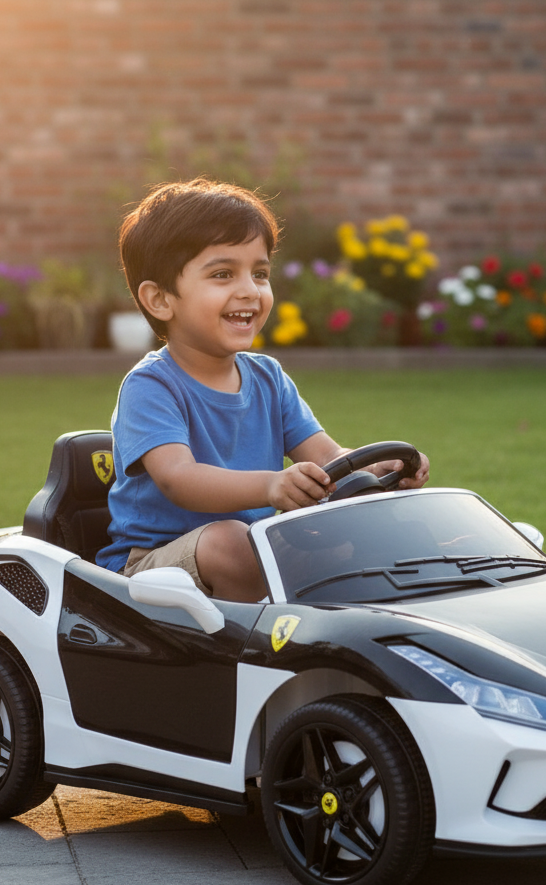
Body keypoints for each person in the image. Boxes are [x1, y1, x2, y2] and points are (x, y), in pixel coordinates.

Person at [97, 178, 430, 601]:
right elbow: (179, 479)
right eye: (223, 274)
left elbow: (327, 458)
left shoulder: (268, 378)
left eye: (259, 273)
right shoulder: (151, 386)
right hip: (152, 567)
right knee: (231, 543)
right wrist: (271, 485)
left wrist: (377, 468)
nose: (249, 290)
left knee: (357, 536)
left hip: (255, 545)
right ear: (161, 300)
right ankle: (257, 656)